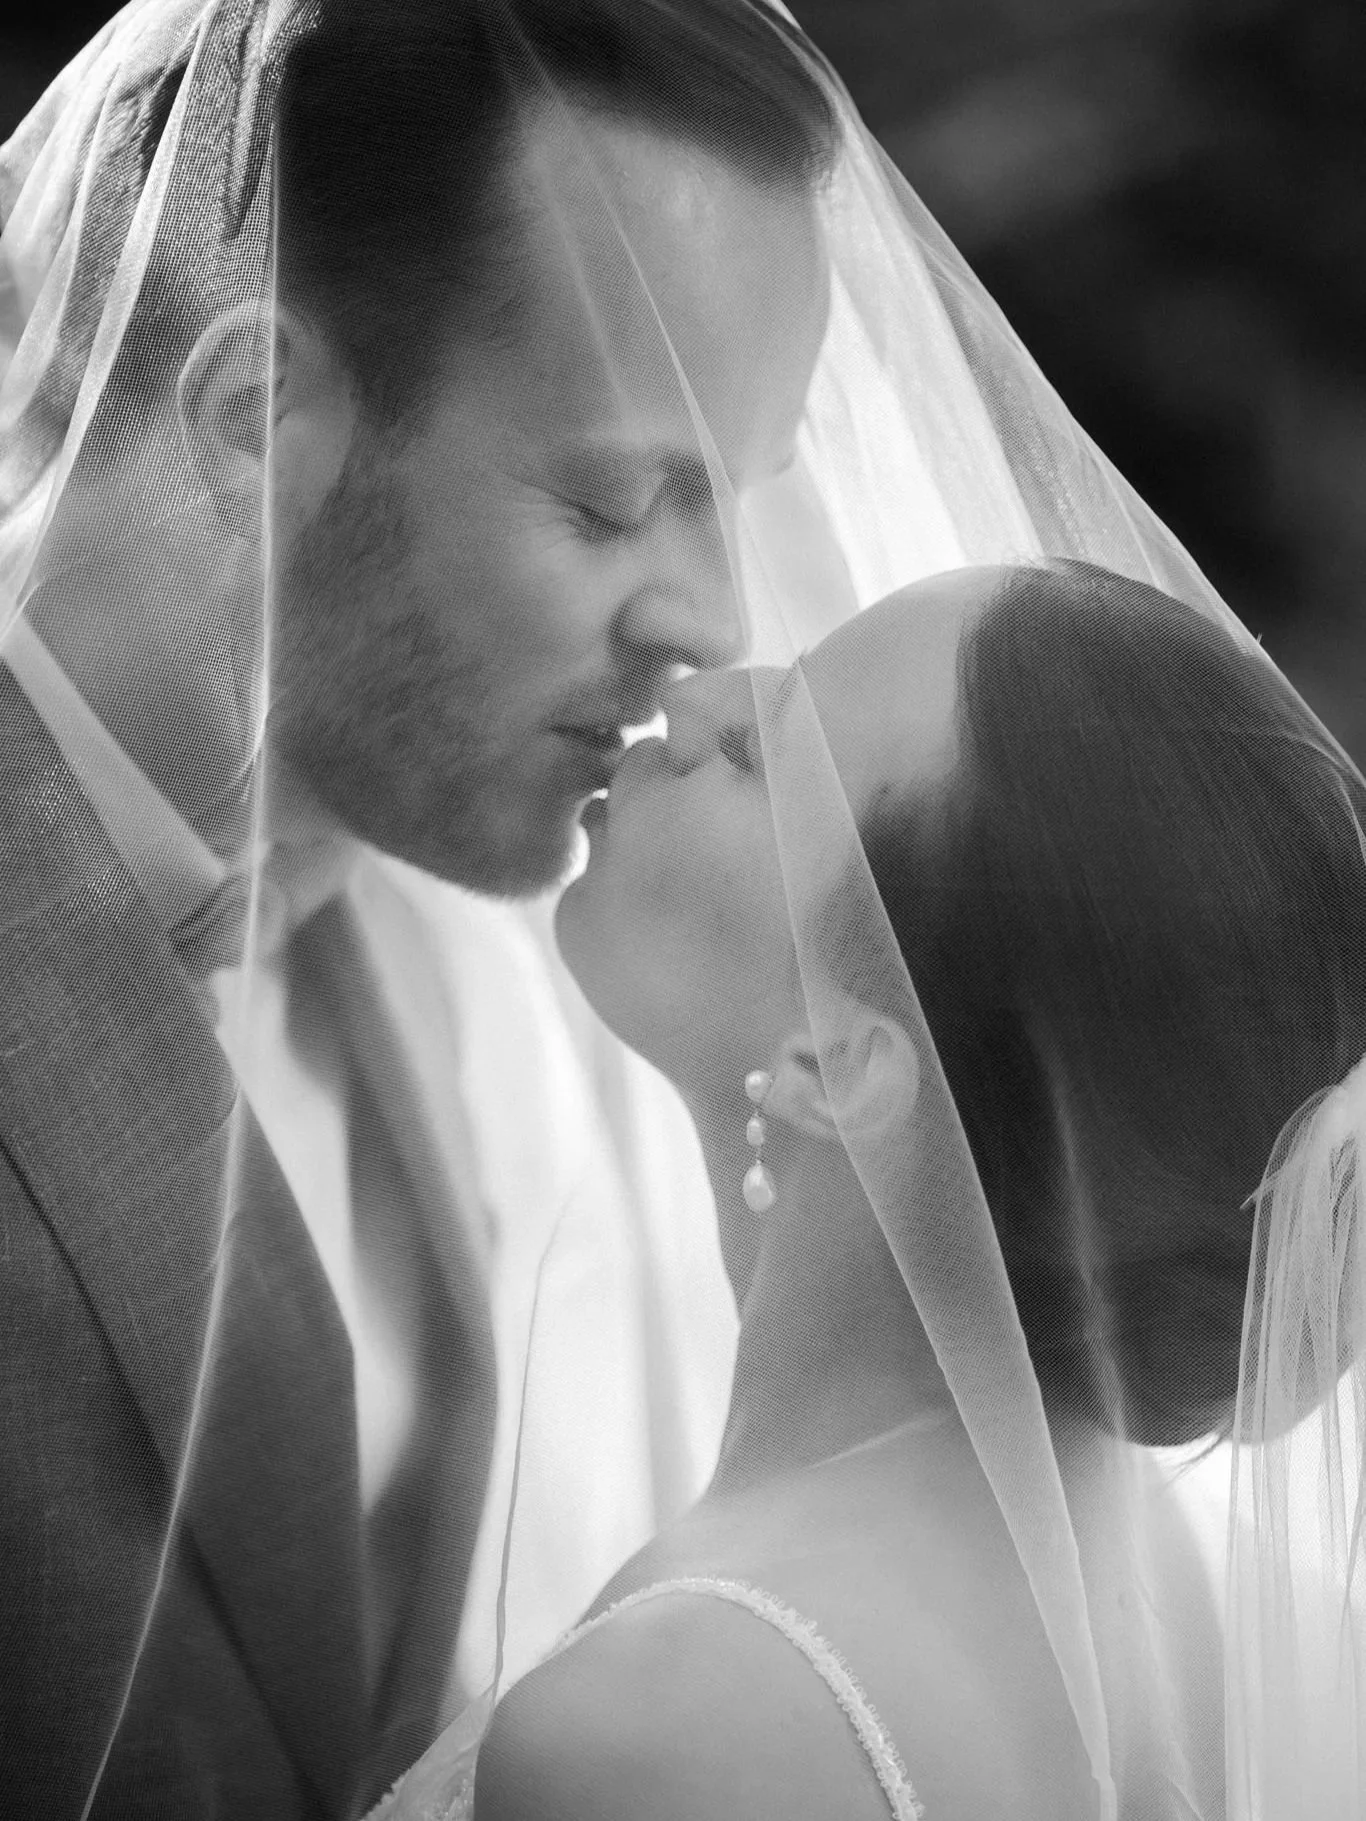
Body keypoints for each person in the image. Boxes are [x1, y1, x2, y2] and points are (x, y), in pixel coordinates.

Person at [0, 1, 835, 1813]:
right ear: (254, 423)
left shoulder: (467, 920)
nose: (712, 622)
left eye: (737, 500)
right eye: (621, 501)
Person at [380, 558, 1366, 1819]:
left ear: (839, 1066)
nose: (685, 705)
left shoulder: (665, 1727)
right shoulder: (1154, 1573)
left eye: (758, 746)